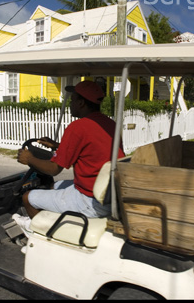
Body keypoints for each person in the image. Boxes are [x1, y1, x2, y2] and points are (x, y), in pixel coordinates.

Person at [13, 81, 125, 238]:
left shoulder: (77, 127)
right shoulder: (109, 124)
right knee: (51, 186)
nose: (70, 104)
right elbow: (90, 149)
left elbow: (54, 169)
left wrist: (29, 159)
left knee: (27, 197)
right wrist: (57, 145)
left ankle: (35, 233)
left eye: (72, 100)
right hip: (108, 196)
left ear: (81, 102)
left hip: (89, 201)